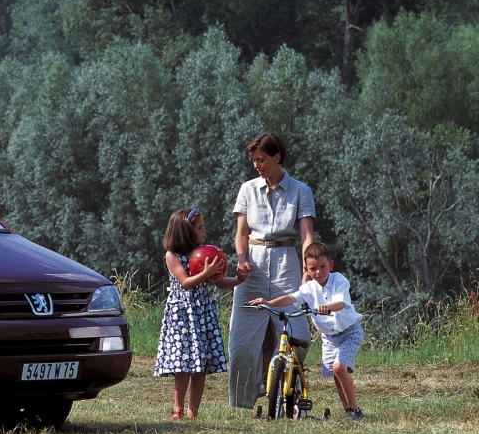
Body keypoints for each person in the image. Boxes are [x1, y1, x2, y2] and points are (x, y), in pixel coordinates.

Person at [228, 132, 316, 410]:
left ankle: (282, 389)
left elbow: (307, 236)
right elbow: (241, 232)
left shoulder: (301, 191)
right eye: (254, 160)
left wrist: (308, 269)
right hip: (253, 266)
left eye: (261, 159)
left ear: (277, 157)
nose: (257, 165)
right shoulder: (247, 189)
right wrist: (241, 259)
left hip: (286, 264)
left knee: (298, 335)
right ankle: (248, 397)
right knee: (241, 343)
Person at [249, 242, 364, 419]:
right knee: (336, 373)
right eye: (313, 269)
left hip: (349, 332)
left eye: (323, 267)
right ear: (306, 269)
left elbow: (341, 303)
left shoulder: (339, 280)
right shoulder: (308, 288)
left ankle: (355, 409)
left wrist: (327, 307)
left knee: (339, 368)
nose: (318, 272)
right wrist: (268, 303)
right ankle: (348, 409)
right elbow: (291, 298)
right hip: (329, 337)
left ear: (330, 265)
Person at [155, 207, 245, 419]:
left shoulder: (203, 254)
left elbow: (220, 282)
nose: (204, 230)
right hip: (183, 315)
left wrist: (240, 279)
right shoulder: (172, 256)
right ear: (186, 231)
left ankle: (192, 411)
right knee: (184, 363)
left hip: (203, 313)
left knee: (200, 364)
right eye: (199, 227)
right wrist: (206, 272)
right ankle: (177, 408)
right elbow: (185, 282)